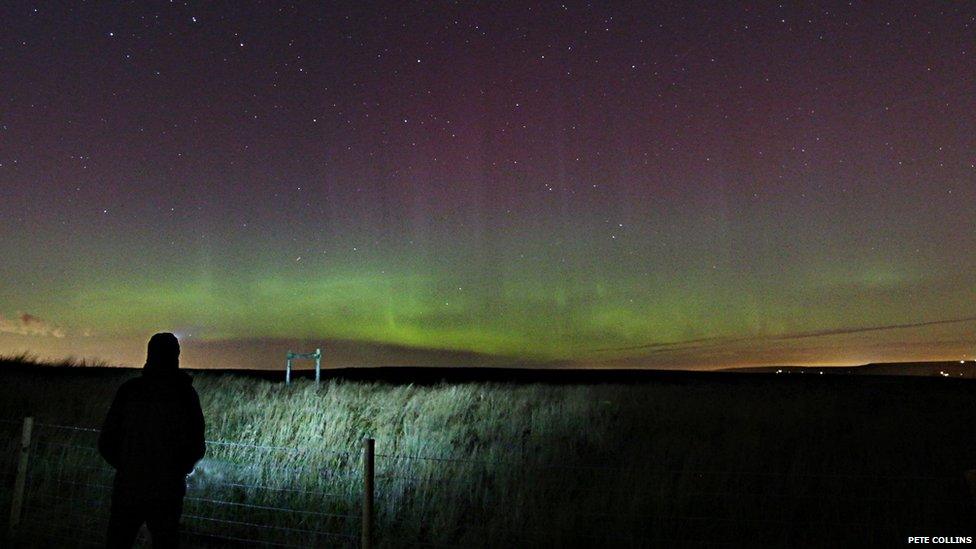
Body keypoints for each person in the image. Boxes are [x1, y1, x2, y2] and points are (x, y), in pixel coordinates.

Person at [98, 333, 206, 548]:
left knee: (118, 541)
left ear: (149, 354)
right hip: (167, 491)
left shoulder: (129, 391)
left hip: (128, 488)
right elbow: (197, 445)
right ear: (176, 356)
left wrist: (128, 467)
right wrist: (177, 470)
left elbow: (106, 442)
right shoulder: (186, 394)